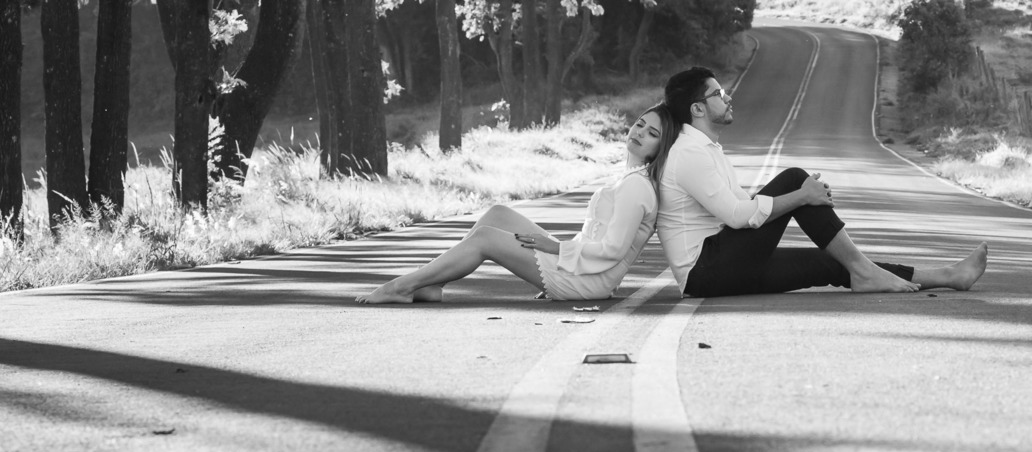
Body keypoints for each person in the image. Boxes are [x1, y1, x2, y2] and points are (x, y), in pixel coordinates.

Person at [657, 67, 988, 298]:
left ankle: (948, 276)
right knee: (794, 179)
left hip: (719, 266)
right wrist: (801, 196)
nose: (728, 97)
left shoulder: (705, 148)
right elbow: (736, 216)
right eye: (719, 93)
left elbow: (745, 211)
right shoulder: (690, 153)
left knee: (831, 261)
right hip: (707, 268)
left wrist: (802, 198)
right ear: (698, 108)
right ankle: (864, 270)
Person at [356, 104, 679, 304]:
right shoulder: (629, 177)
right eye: (640, 124)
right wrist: (559, 249)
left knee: (486, 240)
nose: (639, 133)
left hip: (586, 282)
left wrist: (554, 248)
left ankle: (402, 286)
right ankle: (432, 284)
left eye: (651, 134)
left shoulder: (637, 186)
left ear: (658, 148)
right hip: (580, 266)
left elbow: (612, 250)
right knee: (497, 214)